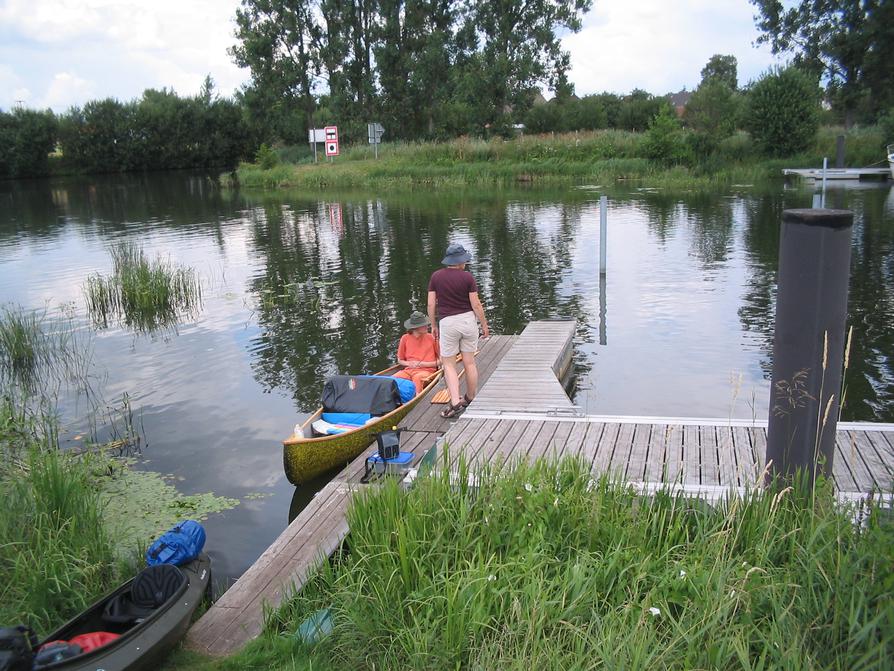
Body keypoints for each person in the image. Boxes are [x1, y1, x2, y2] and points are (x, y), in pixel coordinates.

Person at [427, 243, 490, 418]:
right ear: (460, 261)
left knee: (449, 364)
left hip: (447, 323)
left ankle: (455, 401)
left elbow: (431, 304)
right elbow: (476, 304)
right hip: (467, 321)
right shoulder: (468, 278)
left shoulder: (436, 277)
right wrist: (484, 325)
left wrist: (433, 325)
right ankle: (470, 397)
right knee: (469, 362)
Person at [394, 311, 440, 394]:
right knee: (393, 380)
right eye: (424, 325)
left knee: (417, 378)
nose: (427, 326)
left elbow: (442, 360)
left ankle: (416, 400)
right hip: (408, 370)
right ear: (415, 327)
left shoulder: (431, 338)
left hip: (426, 371)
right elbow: (400, 360)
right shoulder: (405, 338)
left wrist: (422, 364)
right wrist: (409, 364)